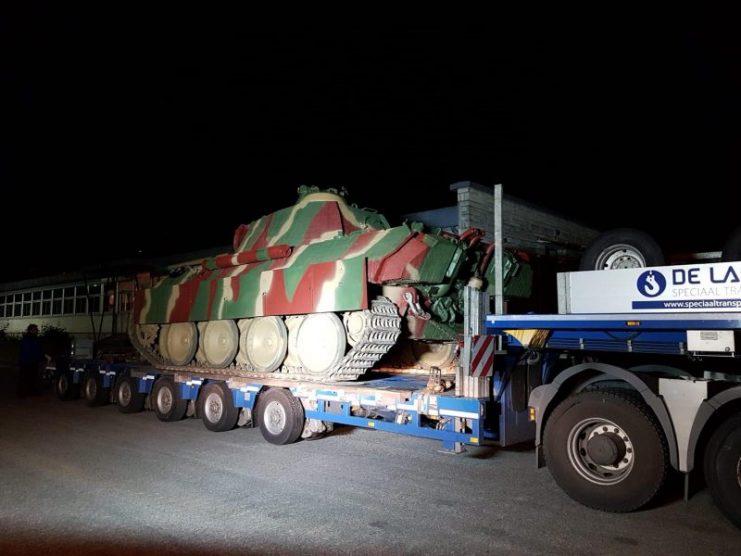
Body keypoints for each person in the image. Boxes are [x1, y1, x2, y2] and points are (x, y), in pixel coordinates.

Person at [17, 324, 45, 397]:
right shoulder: (29, 339)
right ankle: (24, 392)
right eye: (35, 330)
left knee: (30, 377)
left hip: (29, 361)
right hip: (28, 361)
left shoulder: (30, 339)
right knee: (27, 377)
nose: (37, 331)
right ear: (31, 330)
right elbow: (34, 350)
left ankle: (27, 392)